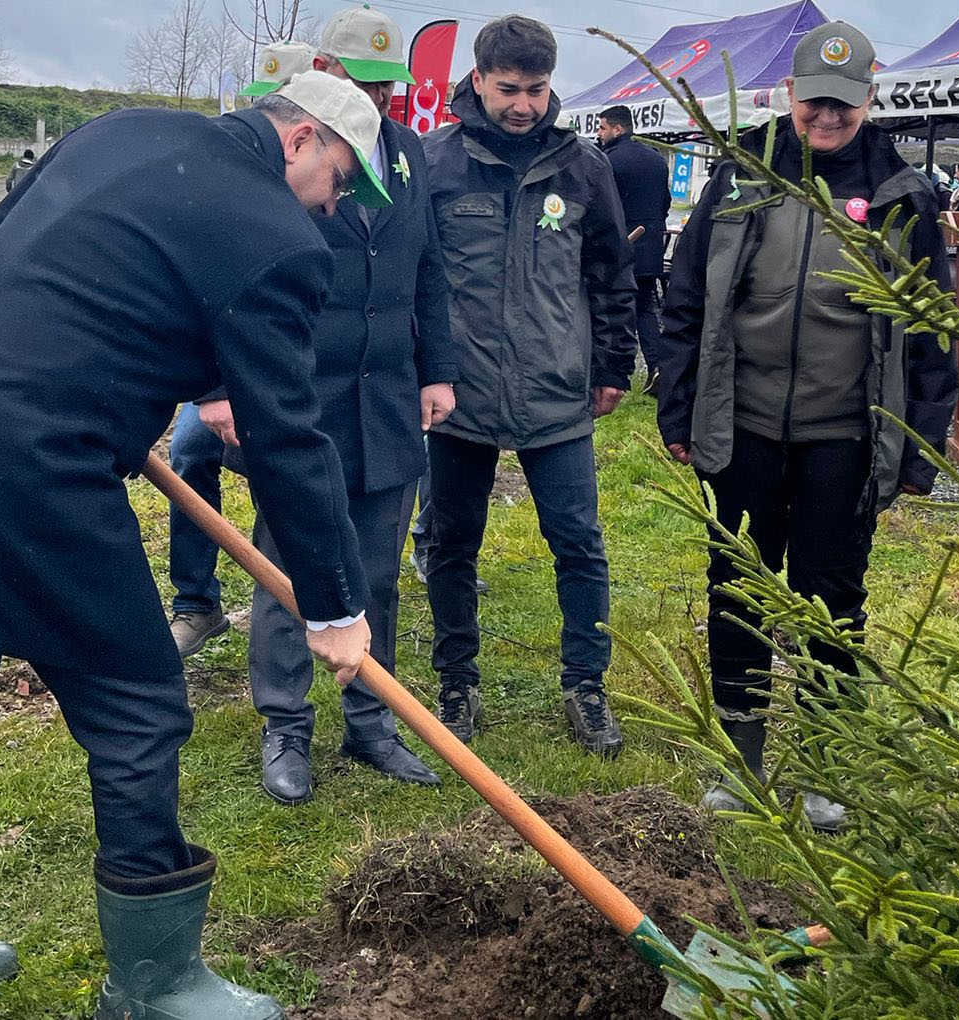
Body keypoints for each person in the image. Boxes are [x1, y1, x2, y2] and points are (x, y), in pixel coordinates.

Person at [0, 72, 389, 1020]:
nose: (337, 207)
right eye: (340, 178)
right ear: (301, 141)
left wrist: (118, 384)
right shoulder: (278, 239)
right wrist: (335, 606)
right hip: (25, 463)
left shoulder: (123, 131)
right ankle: (156, 982)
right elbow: (290, 437)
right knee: (137, 708)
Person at [655, 21, 957, 832]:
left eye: (845, 107)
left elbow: (932, 327)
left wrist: (921, 449)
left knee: (834, 603)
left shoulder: (901, 194)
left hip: (844, 441)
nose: (828, 119)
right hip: (742, 428)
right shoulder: (742, 174)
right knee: (740, 592)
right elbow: (687, 301)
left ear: (869, 100)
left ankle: (828, 767)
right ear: (789, 94)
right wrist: (678, 405)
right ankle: (741, 757)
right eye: (816, 103)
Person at [199, 5, 454, 805]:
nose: (377, 98)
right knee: (291, 567)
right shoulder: (278, 153)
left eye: (388, 84)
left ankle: (371, 719)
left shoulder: (408, 156)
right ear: (325, 70)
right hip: (297, 398)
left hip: (385, 399)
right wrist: (215, 387)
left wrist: (435, 370)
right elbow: (220, 272)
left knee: (375, 570)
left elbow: (429, 272)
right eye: (362, 80)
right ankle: (286, 723)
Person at [422, 15, 637, 756]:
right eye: (509, 88)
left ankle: (586, 686)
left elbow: (611, 275)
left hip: (555, 391)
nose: (523, 104)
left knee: (579, 544)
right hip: (459, 396)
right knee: (451, 545)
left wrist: (614, 363)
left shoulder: (584, 167)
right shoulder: (436, 163)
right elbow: (416, 279)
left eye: (537, 89)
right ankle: (458, 682)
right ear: (477, 80)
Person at [165, 39, 317, 658]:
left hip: (298, 366)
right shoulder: (228, 173)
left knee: (291, 473)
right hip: (227, 369)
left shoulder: (327, 177)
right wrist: (215, 391)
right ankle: (196, 603)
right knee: (188, 451)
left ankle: (305, 606)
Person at [596, 103, 671, 394]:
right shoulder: (655, 159)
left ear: (617, 128)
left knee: (610, 307)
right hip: (650, 246)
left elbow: (602, 205)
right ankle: (655, 366)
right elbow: (664, 203)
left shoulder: (608, 160)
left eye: (602, 128)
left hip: (618, 246)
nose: (599, 134)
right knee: (644, 308)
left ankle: (611, 371)